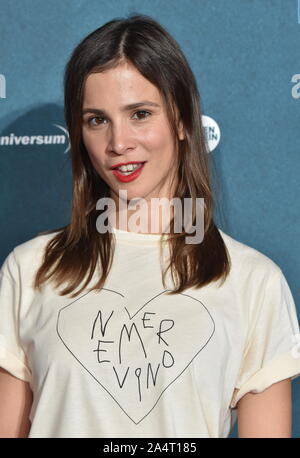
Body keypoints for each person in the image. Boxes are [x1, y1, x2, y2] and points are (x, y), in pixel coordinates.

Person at [0, 14, 300, 439]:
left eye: (139, 114)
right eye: (97, 120)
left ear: (180, 120)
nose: (118, 143)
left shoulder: (254, 282)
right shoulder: (30, 270)